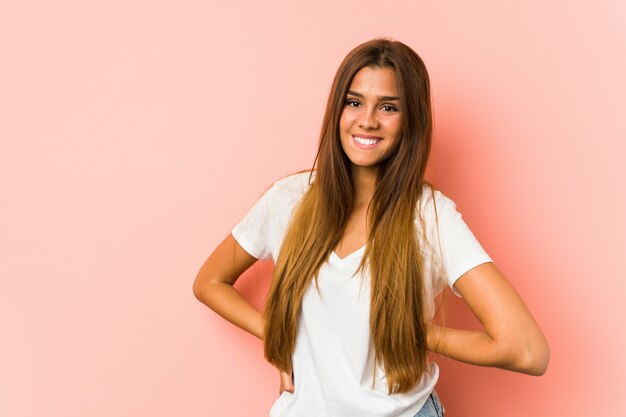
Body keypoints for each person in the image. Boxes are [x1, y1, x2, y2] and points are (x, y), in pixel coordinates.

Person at [193, 37, 550, 417]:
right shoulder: (288, 199)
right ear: (338, 110)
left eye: (388, 107)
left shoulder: (430, 216)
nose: (367, 120)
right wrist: (281, 341)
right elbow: (209, 283)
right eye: (354, 102)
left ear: (410, 120)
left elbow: (526, 350)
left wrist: (414, 335)